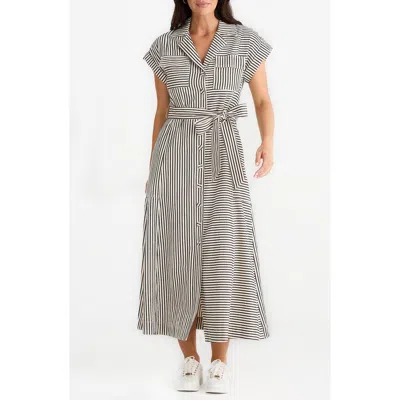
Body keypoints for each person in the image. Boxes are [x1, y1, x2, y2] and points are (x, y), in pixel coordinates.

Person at [138, 0, 274, 394]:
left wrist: (267, 141)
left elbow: (262, 100)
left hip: (223, 157)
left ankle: (219, 362)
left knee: (222, 255)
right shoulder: (165, 46)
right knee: (177, 255)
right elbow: (162, 111)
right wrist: (154, 168)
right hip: (174, 160)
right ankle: (189, 360)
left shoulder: (245, 41)